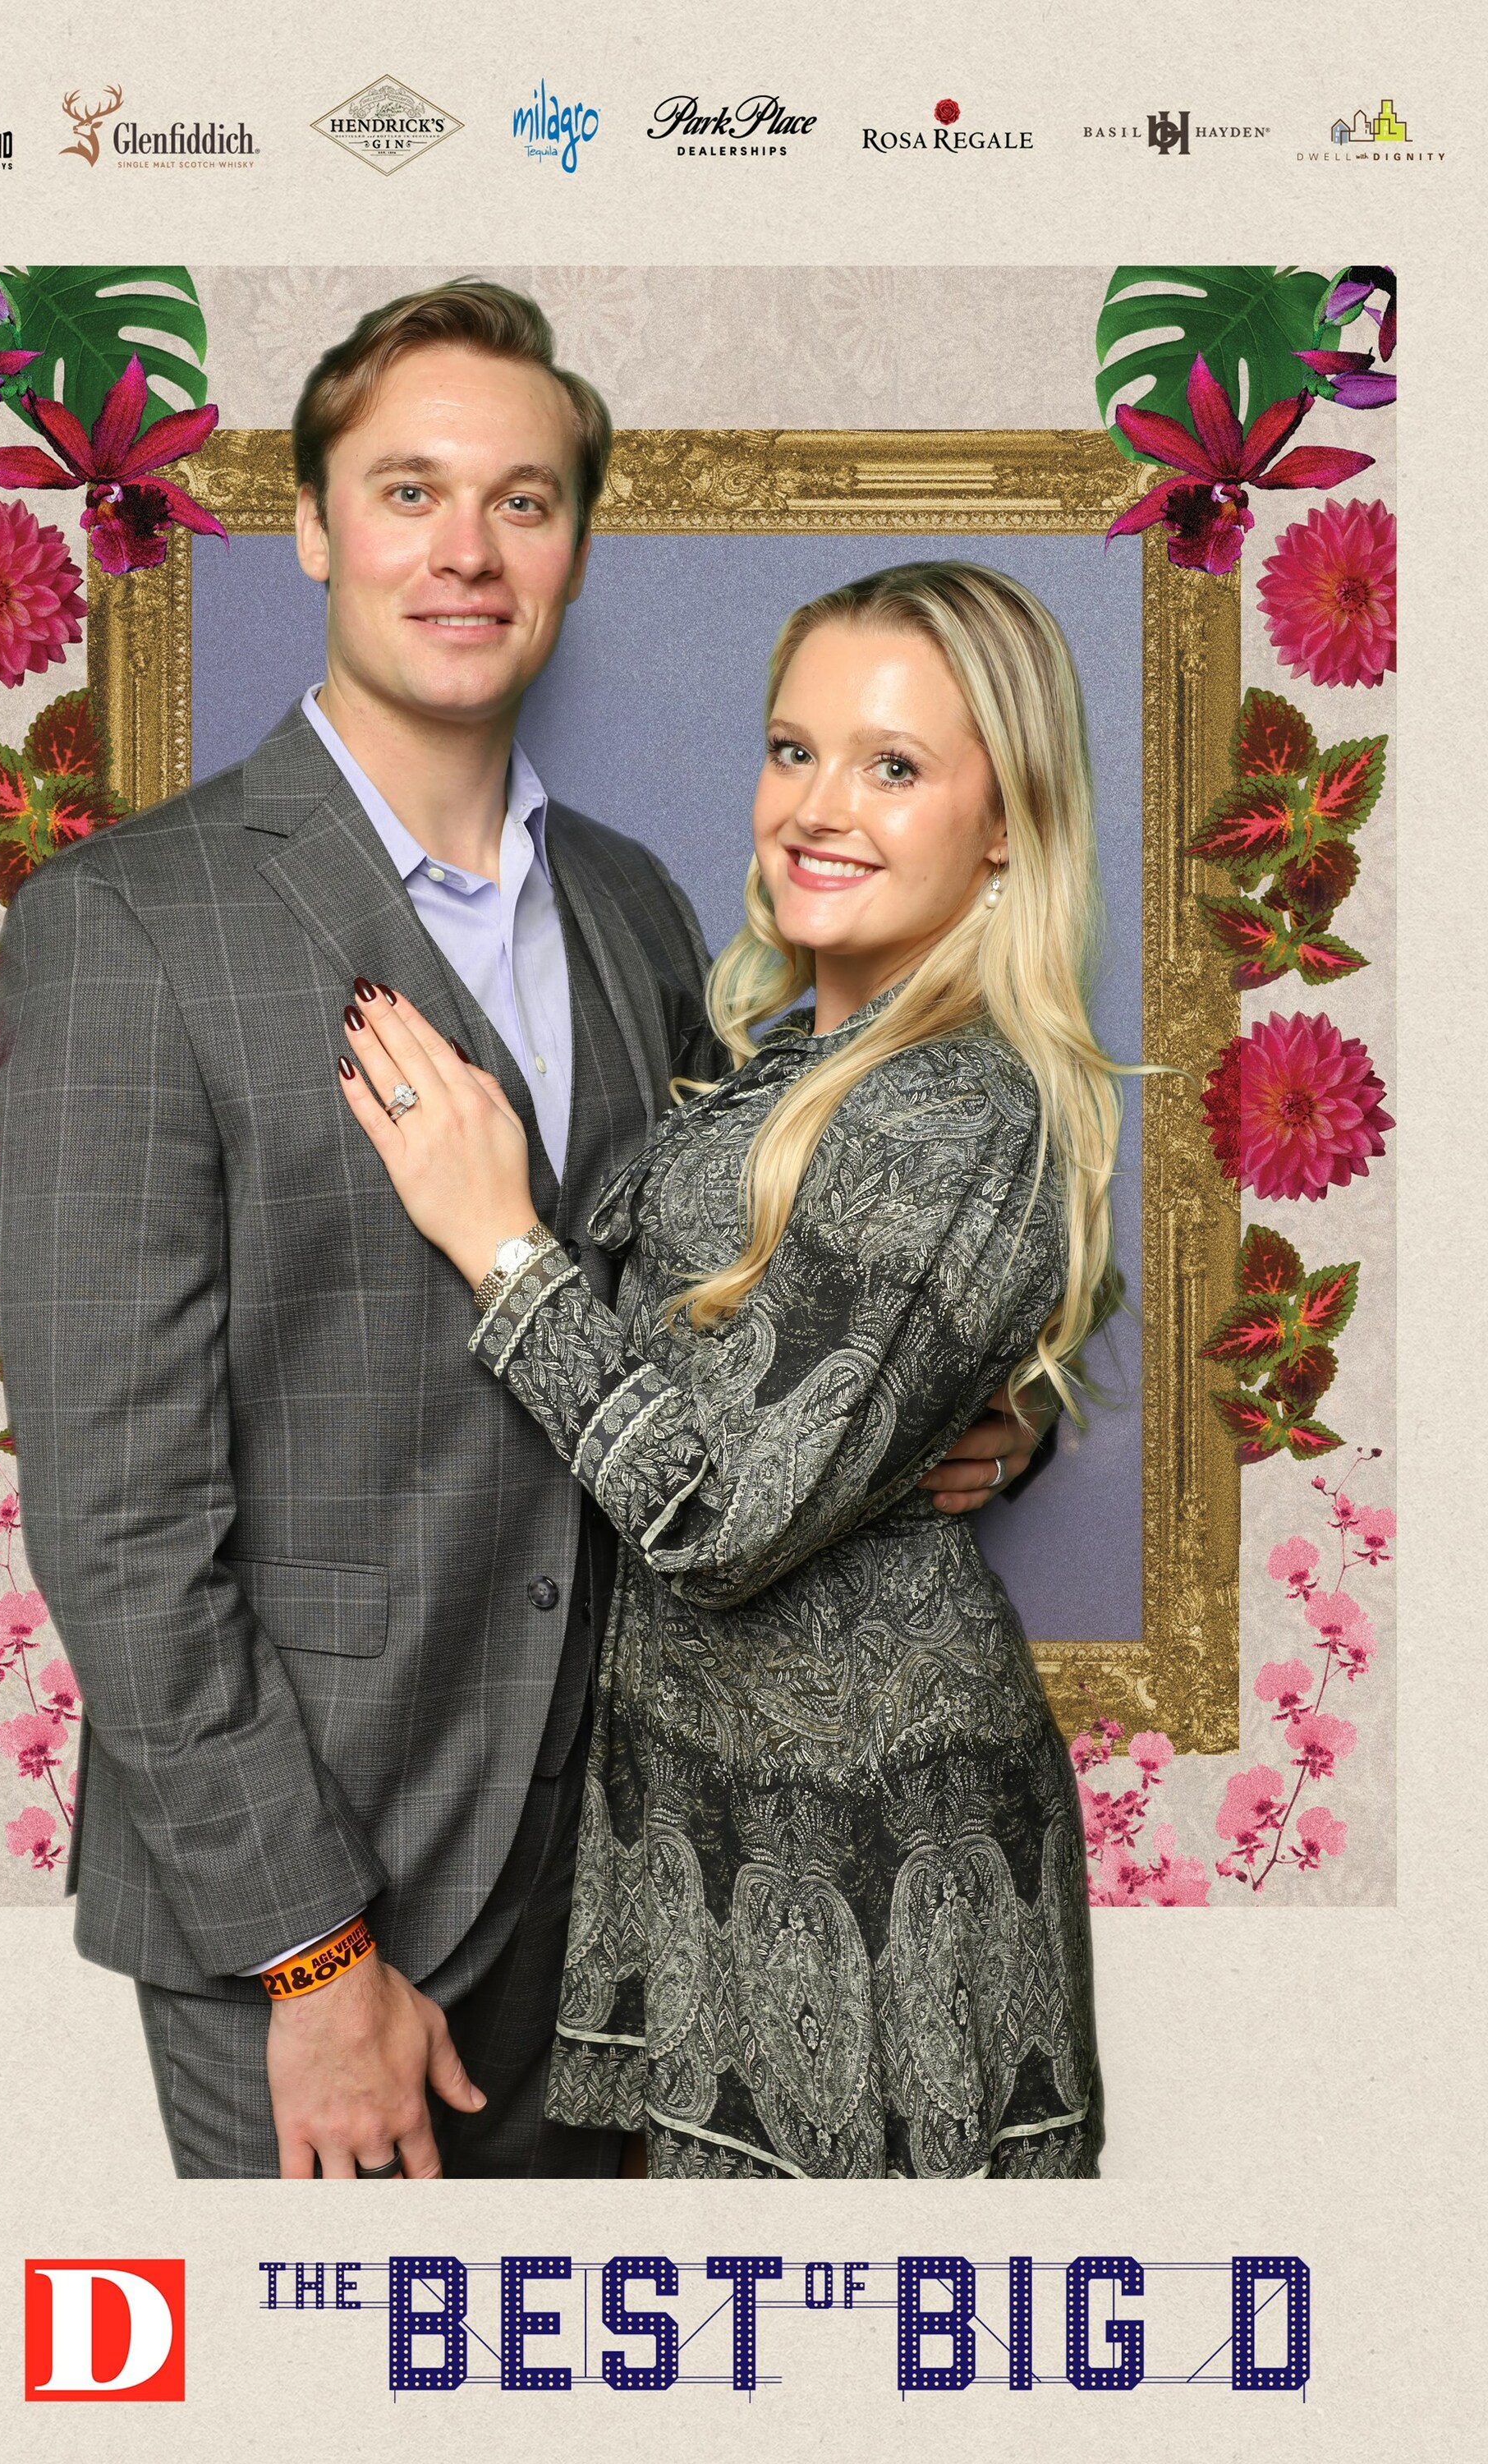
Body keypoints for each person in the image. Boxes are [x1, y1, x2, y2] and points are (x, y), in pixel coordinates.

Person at [0, 280, 1052, 2184]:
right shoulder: (128, 926)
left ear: (572, 546)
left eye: (523, 501)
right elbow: (117, 1521)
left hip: (622, 1880)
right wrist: (311, 1959)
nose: (465, 549)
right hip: (318, 1907)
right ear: (313, 527)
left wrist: (969, 1408)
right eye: (408, 492)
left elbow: (760, 1279)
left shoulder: (638, 906)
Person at [338, 558, 1116, 2177]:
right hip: (712, 1818)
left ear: (1005, 825)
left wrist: (496, 1241)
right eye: (792, 750)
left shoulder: (955, 1103)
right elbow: (860, 1321)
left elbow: (714, 1522)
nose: (817, 809)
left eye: (892, 766)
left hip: (872, 1857)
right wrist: (981, 1401)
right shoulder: (791, 1057)